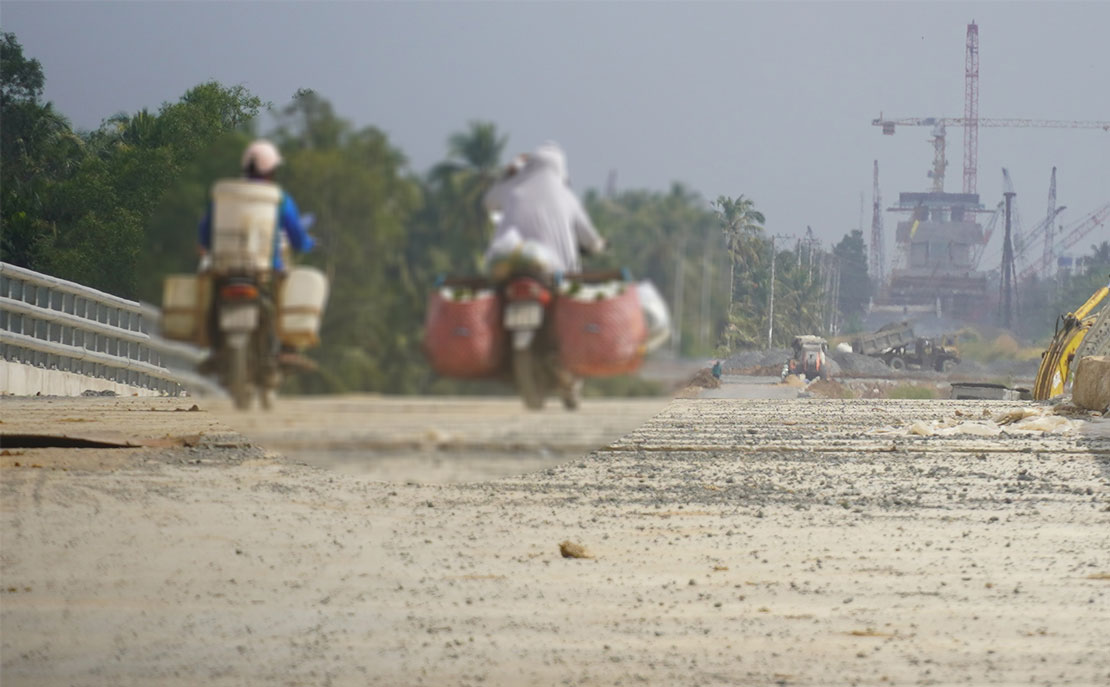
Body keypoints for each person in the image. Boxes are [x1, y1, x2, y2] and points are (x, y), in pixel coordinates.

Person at [197, 139, 315, 377]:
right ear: (272, 171)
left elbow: (205, 232)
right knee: (283, 296)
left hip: (225, 268)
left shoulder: (225, 193)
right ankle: (286, 347)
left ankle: (213, 347)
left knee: (210, 298)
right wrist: (308, 243)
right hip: (264, 269)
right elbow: (296, 236)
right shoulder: (279, 198)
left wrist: (208, 247)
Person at [483, 142, 604, 274]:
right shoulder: (567, 196)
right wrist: (598, 245)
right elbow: (591, 240)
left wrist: (507, 175)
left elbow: (489, 203)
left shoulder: (512, 188)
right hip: (556, 275)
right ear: (561, 169)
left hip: (508, 272)